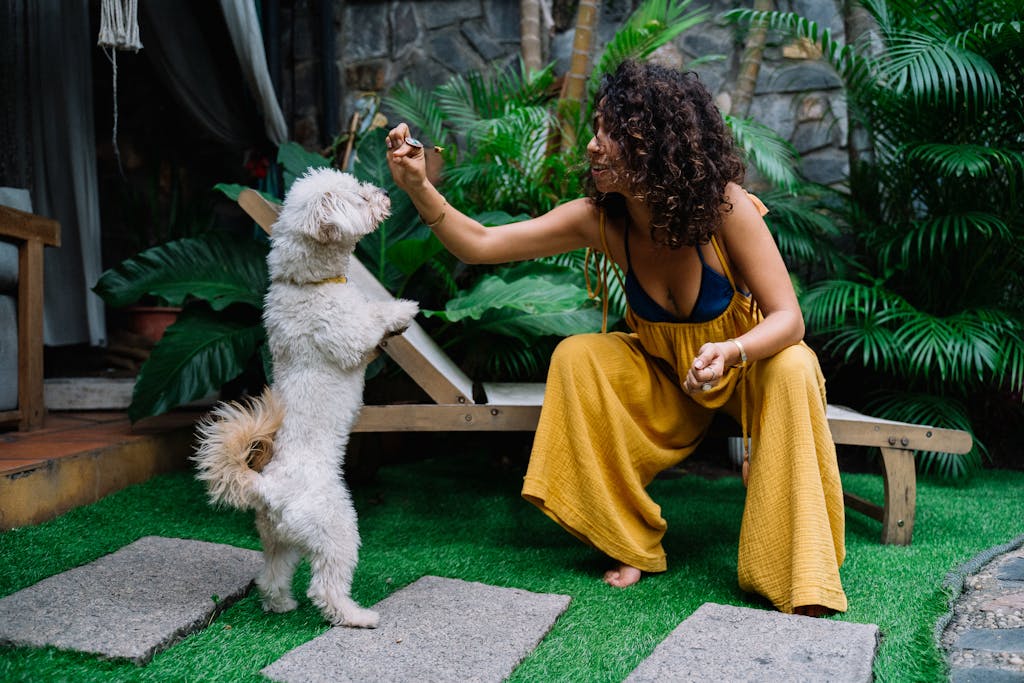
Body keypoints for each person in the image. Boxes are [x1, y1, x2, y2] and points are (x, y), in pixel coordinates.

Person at [385, 59, 847, 616]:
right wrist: (417, 185)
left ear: (657, 144)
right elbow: (481, 243)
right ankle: (627, 539)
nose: (594, 147)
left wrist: (731, 351)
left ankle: (797, 573)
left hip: (749, 368)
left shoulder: (725, 207)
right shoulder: (601, 220)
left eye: (613, 134)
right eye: (597, 130)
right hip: (668, 381)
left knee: (795, 363)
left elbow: (788, 319)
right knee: (579, 354)